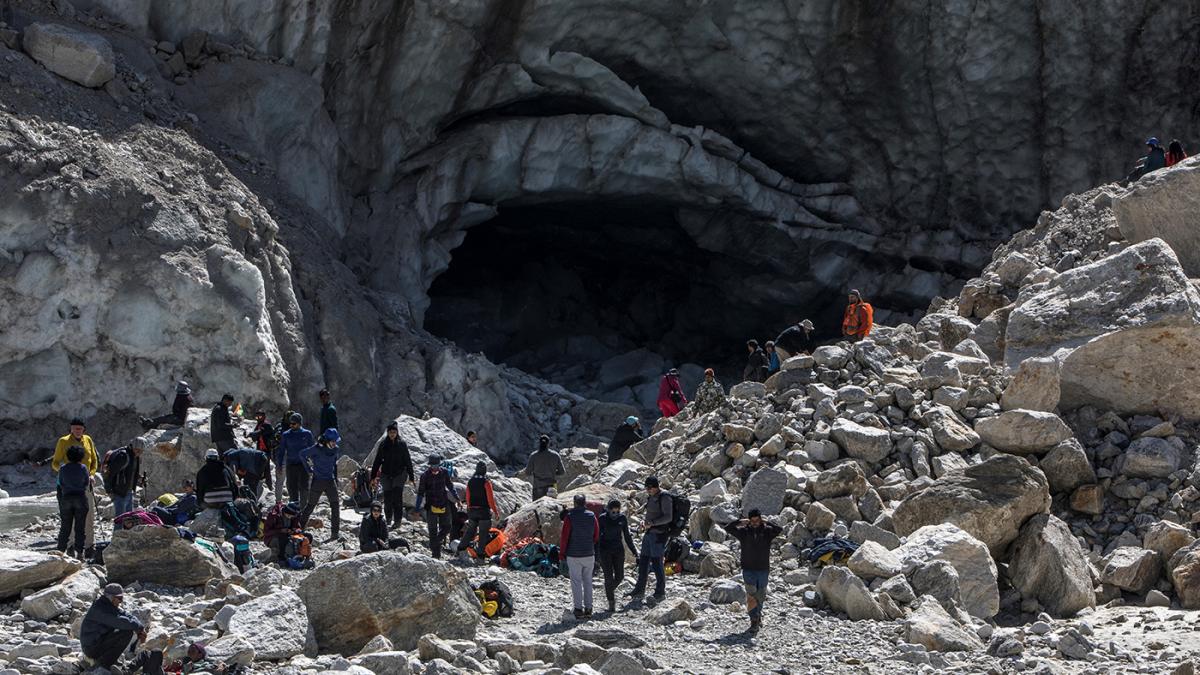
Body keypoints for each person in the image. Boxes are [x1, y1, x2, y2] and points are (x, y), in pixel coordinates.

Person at [80, 584, 163, 675]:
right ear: (111, 597)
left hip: (98, 643)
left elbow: (127, 615)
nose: (121, 601)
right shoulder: (100, 609)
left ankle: (110, 661)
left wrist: (140, 627)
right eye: (119, 598)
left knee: (127, 631)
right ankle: (104, 664)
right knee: (126, 632)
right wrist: (137, 628)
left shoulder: (108, 605)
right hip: (91, 648)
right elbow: (120, 622)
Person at [725, 509, 783, 630]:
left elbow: (779, 530)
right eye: (753, 520)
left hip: (763, 569)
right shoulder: (744, 532)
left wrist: (767, 522)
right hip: (748, 568)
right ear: (749, 520)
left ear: (760, 519)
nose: (755, 523)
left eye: (757, 520)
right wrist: (740, 521)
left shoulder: (767, 532)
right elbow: (728, 528)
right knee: (751, 595)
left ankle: (758, 615)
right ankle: (754, 621)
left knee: (760, 596)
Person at [52, 418, 99, 557]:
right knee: (70, 518)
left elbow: (94, 461)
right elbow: (55, 462)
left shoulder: (88, 440)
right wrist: (65, 472)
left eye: (80, 428)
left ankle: (90, 545)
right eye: (75, 428)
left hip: (86, 483)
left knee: (89, 516)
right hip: (68, 486)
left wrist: (91, 475)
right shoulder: (63, 441)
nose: (77, 431)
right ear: (71, 429)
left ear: (84, 429)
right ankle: (71, 546)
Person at [628, 476, 672, 602]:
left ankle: (660, 592)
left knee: (657, 563)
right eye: (646, 488)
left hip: (659, 534)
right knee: (643, 561)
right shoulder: (652, 497)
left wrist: (652, 523)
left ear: (655, 486)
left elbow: (668, 517)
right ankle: (639, 589)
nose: (648, 490)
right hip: (649, 532)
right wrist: (645, 522)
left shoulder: (665, 497)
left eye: (649, 488)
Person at [560, 494, 599, 619]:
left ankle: (578, 608)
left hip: (574, 554)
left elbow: (565, 537)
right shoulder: (592, 516)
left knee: (576, 582)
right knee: (588, 581)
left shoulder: (570, 517)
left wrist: (562, 553)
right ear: (585, 502)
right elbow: (596, 534)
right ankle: (589, 608)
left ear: (575, 503)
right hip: (589, 553)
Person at [300, 428, 342, 541]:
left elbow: (335, 464)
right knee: (311, 505)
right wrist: (308, 469)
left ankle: (335, 533)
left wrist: (336, 478)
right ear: (326, 441)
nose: (334, 444)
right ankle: (299, 528)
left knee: (335, 506)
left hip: (330, 481)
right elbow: (302, 454)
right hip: (317, 481)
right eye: (333, 441)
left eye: (335, 441)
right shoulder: (316, 449)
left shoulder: (335, 449)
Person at [370, 422, 415, 527]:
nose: (392, 434)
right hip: (386, 474)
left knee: (397, 497)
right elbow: (377, 461)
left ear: (397, 432)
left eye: (394, 432)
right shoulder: (383, 445)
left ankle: (398, 520)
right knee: (388, 498)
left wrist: (411, 476)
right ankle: (389, 519)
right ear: (387, 432)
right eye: (390, 432)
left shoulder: (402, 444)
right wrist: (373, 477)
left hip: (399, 474)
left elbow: (408, 461)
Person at [596, 499, 638, 613]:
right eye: (613, 512)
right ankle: (611, 603)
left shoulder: (622, 518)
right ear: (609, 510)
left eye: (617, 512)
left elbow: (627, 536)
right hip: (605, 550)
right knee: (608, 577)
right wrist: (597, 554)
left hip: (618, 550)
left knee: (620, 576)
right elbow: (597, 537)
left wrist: (634, 551)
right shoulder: (602, 518)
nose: (615, 514)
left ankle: (609, 590)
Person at [416, 455, 459, 558]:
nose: (434, 468)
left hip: (444, 503)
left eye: (436, 466)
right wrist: (417, 508)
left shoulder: (444, 472)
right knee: (432, 530)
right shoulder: (425, 476)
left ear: (439, 465)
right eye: (432, 466)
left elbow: (450, 485)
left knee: (447, 527)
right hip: (431, 506)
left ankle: (435, 542)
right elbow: (421, 493)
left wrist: (457, 498)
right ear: (430, 465)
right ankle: (436, 556)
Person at [457, 461, 500, 559]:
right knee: (483, 533)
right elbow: (490, 499)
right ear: (485, 470)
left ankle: (460, 548)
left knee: (470, 530)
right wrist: (496, 512)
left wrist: (469, 508)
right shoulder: (486, 482)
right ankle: (480, 555)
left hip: (472, 510)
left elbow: (468, 496)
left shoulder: (470, 481)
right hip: (484, 511)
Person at [57, 445, 90, 557]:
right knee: (80, 528)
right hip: (80, 497)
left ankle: (60, 552)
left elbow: (60, 483)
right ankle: (80, 553)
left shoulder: (63, 468)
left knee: (65, 527)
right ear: (81, 456)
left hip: (66, 498)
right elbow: (86, 483)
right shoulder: (83, 468)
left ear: (68, 456)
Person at [277, 413, 314, 505]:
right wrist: (279, 465)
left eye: (294, 424)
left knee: (304, 488)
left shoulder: (307, 434)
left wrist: (314, 464)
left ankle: (303, 509)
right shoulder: (286, 435)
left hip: (304, 466)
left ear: (299, 423)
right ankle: (293, 509)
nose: (291, 425)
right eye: (290, 423)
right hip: (291, 465)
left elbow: (313, 450)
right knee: (292, 488)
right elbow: (281, 451)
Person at [103, 438, 144, 518]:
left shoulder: (135, 457)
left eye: (141, 451)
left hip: (129, 491)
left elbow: (130, 472)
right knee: (120, 519)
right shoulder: (123, 456)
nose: (138, 452)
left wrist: (139, 478)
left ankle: (124, 531)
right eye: (137, 450)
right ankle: (117, 531)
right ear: (132, 447)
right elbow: (110, 473)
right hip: (119, 492)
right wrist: (109, 490)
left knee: (128, 520)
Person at [525, 435, 565, 500]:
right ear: (548, 443)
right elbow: (562, 472)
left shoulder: (534, 456)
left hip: (538, 486)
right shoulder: (555, 455)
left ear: (539, 443)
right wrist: (553, 473)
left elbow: (527, 472)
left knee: (537, 507)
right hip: (552, 486)